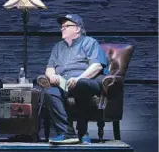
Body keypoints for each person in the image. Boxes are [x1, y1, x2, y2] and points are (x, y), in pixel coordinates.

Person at [37, 14, 108, 144]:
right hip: (65, 83)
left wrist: (78, 78)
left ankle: (82, 131)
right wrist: (52, 75)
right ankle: (67, 133)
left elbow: (97, 66)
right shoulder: (58, 47)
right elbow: (50, 67)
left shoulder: (89, 42)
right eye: (62, 26)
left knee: (80, 85)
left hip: (88, 81)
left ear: (77, 29)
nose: (62, 28)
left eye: (67, 26)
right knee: (49, 92)